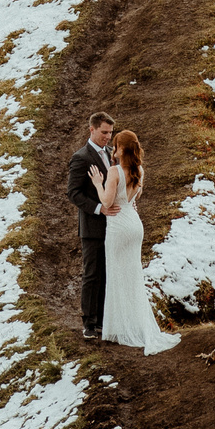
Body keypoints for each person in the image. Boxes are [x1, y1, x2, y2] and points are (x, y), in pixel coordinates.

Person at [88, 128, 180, 354]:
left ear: (120, 149)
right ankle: (136, 325)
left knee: (117, 275)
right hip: (134, 224)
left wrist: (98, 183)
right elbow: (133, 198)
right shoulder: (140, 170)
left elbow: (107, 203)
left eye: (115, 145)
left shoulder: (114, 171)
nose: (112, 148)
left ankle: (119, 328)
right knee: (133, 275)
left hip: (118, 227)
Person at [66, 113, 117, 339]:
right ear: (92, 130)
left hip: (114, 226)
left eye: (110, 133)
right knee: (92, 274)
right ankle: (89, 323)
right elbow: (73, 193)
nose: (108, 137)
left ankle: (103, 321)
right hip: (92, 228)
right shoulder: (81, 157)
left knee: (107, 274)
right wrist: (99, 208)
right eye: (104, 132)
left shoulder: (111, 154)